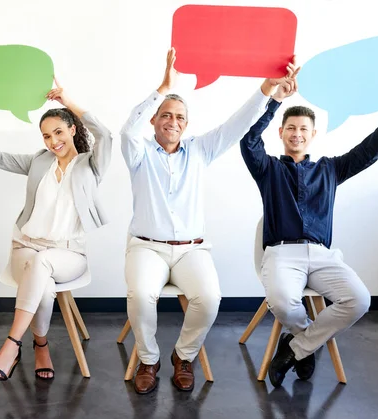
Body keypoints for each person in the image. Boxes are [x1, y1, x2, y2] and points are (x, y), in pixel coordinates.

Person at [120, 48, 295, 394]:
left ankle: (183, 356)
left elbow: (237, 124)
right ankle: (149, 359)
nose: (173, 122)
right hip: (146, 248)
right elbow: (127, 130)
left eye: (180, 117)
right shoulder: (138, 153)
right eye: (165, 115)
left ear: (186, 124)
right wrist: (163, 87)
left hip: (191, 250)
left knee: (211, 297)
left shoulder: (200, 150)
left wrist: (266, 89)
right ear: (154, 120)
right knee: (141, 294)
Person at [239, 66, 378, 387]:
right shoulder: (269, 169)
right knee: (281, 301)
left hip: (323, 257)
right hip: (281, 254)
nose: (296, 134)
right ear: (281, 133)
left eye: (303, 129)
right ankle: (306, 346)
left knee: (359, 300)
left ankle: (297, 348)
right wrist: (275, 102)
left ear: (312, 134)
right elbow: (249, 141)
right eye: (290, 128)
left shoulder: (330, 169)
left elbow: (373, 147)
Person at [0, 81, 112, 381]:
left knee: (43, 265)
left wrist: (68, 100)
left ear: (73, 130)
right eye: (47, 136)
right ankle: (40, 345)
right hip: (25, 246)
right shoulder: (40, 161)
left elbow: (106, 134)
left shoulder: (91, 165)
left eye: (59, 133)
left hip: (69, 253)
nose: (54, 142)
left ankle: (11, 345)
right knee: (45, 286)